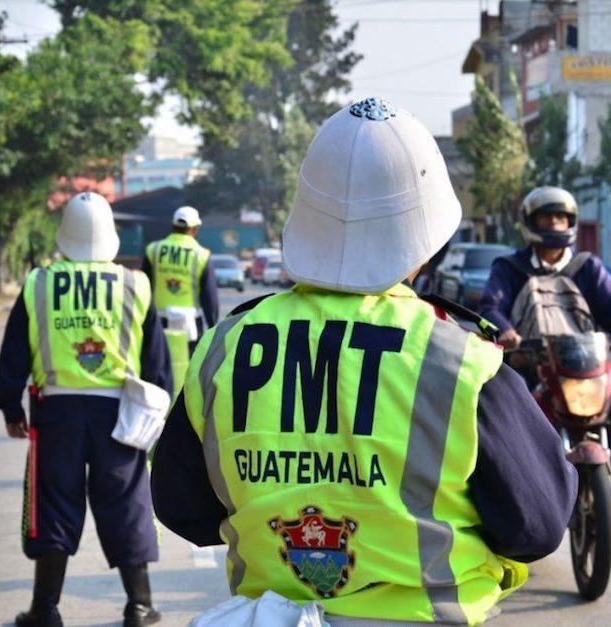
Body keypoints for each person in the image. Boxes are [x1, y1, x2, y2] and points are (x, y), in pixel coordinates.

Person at [151, 98, 576, 625]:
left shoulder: (224, 349)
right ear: (428, 238)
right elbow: (537, 528)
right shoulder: (461, 360)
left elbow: (181, 508)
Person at [0, 192, 172, 627]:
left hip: (57, 414)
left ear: (65, 234)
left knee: (54, 503)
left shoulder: (39, 283)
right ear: (109, 234)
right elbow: (157, 363)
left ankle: (45, 609)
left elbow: (13, 354)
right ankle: (140, 606)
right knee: (125, 502)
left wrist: (10, 405)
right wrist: (159, 411)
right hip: (119, 413)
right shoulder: (135, 284)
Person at [477, 186, 611, 507]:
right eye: (547, 217)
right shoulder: (510, 268)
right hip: (533, 364)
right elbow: (491, 307)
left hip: (583, 365)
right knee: (511, 414)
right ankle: (522, 497)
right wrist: (507, 332)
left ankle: (609, 492)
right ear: (531, 222)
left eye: (561, 217)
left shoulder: (588, 268)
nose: (555, 224)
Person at [142, 205, 219, 396]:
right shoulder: (201, 255)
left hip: (157, 322)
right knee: (191, 368)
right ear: (194, 229)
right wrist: (214, 324)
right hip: (191, 325)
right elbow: (209, 296)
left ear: (173, 226)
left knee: (159, 366)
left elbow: (144, 286)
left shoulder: (154, 250)